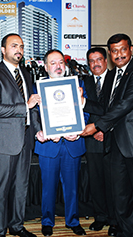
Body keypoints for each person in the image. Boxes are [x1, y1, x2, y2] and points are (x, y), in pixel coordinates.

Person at [80, 33, 133, 237]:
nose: (119, 54)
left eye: (123, 49)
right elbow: (106, 106)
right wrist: (82, 103)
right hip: (115, 145)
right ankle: (125, 233)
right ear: (110, 53)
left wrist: (97, 125)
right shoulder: (113, 75)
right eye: (114, 51)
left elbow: (125, 104)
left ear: (130, 49)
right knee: (121, 197)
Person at [0, 33, 41, 237]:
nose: (19, 50)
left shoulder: (25, 73)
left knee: (21, 186)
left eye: (22, 46)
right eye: (14, 45)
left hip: (25, 138)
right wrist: (26, 105)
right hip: (4, 140)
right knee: (2, 188)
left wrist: (37, 130)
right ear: (3, 49)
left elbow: (32, 108)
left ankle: (16, 225)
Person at [34, 49, 89, 236]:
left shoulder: (78, 85)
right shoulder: (38, 88)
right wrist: (39, 131)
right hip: (49, 145)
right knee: (48, 188)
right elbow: (33, 114)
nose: (58, 66)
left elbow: (87, 111)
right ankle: (47, 222)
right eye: (53, 63)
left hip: (72, 144)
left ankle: (72, 221)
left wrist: (79, 130)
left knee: (72, 187)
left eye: (60, 62)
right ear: (46, 66)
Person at [82, 47, 117, 236]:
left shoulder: (116, 78)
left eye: (99, 59)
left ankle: (114, 220)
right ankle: (100, 217)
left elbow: (115, 108)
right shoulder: (84, 82)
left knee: (113, 182)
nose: (95, 64)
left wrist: (102, 128)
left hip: (112, 136)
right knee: (95, 181)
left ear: (106, 60)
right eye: (91, 61)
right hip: (91, 138)